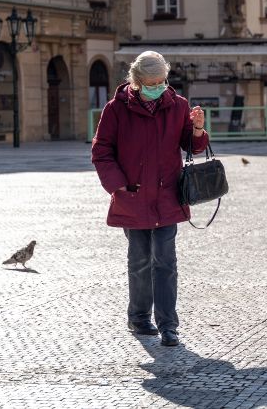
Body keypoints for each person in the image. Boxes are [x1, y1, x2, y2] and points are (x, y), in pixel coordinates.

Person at [91, 50, 209, 347]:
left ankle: (169, 325)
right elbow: (101, 150)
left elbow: (192, 148)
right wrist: (118, 187)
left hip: (168, 197)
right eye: (152, 82)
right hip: (133, 196)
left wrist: (197, 128)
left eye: (162, 81)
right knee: (140, 259)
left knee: (165, 261)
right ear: (137, 80)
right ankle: (140, 317)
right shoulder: (115, 109)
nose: (159, 86)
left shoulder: (178, 105)